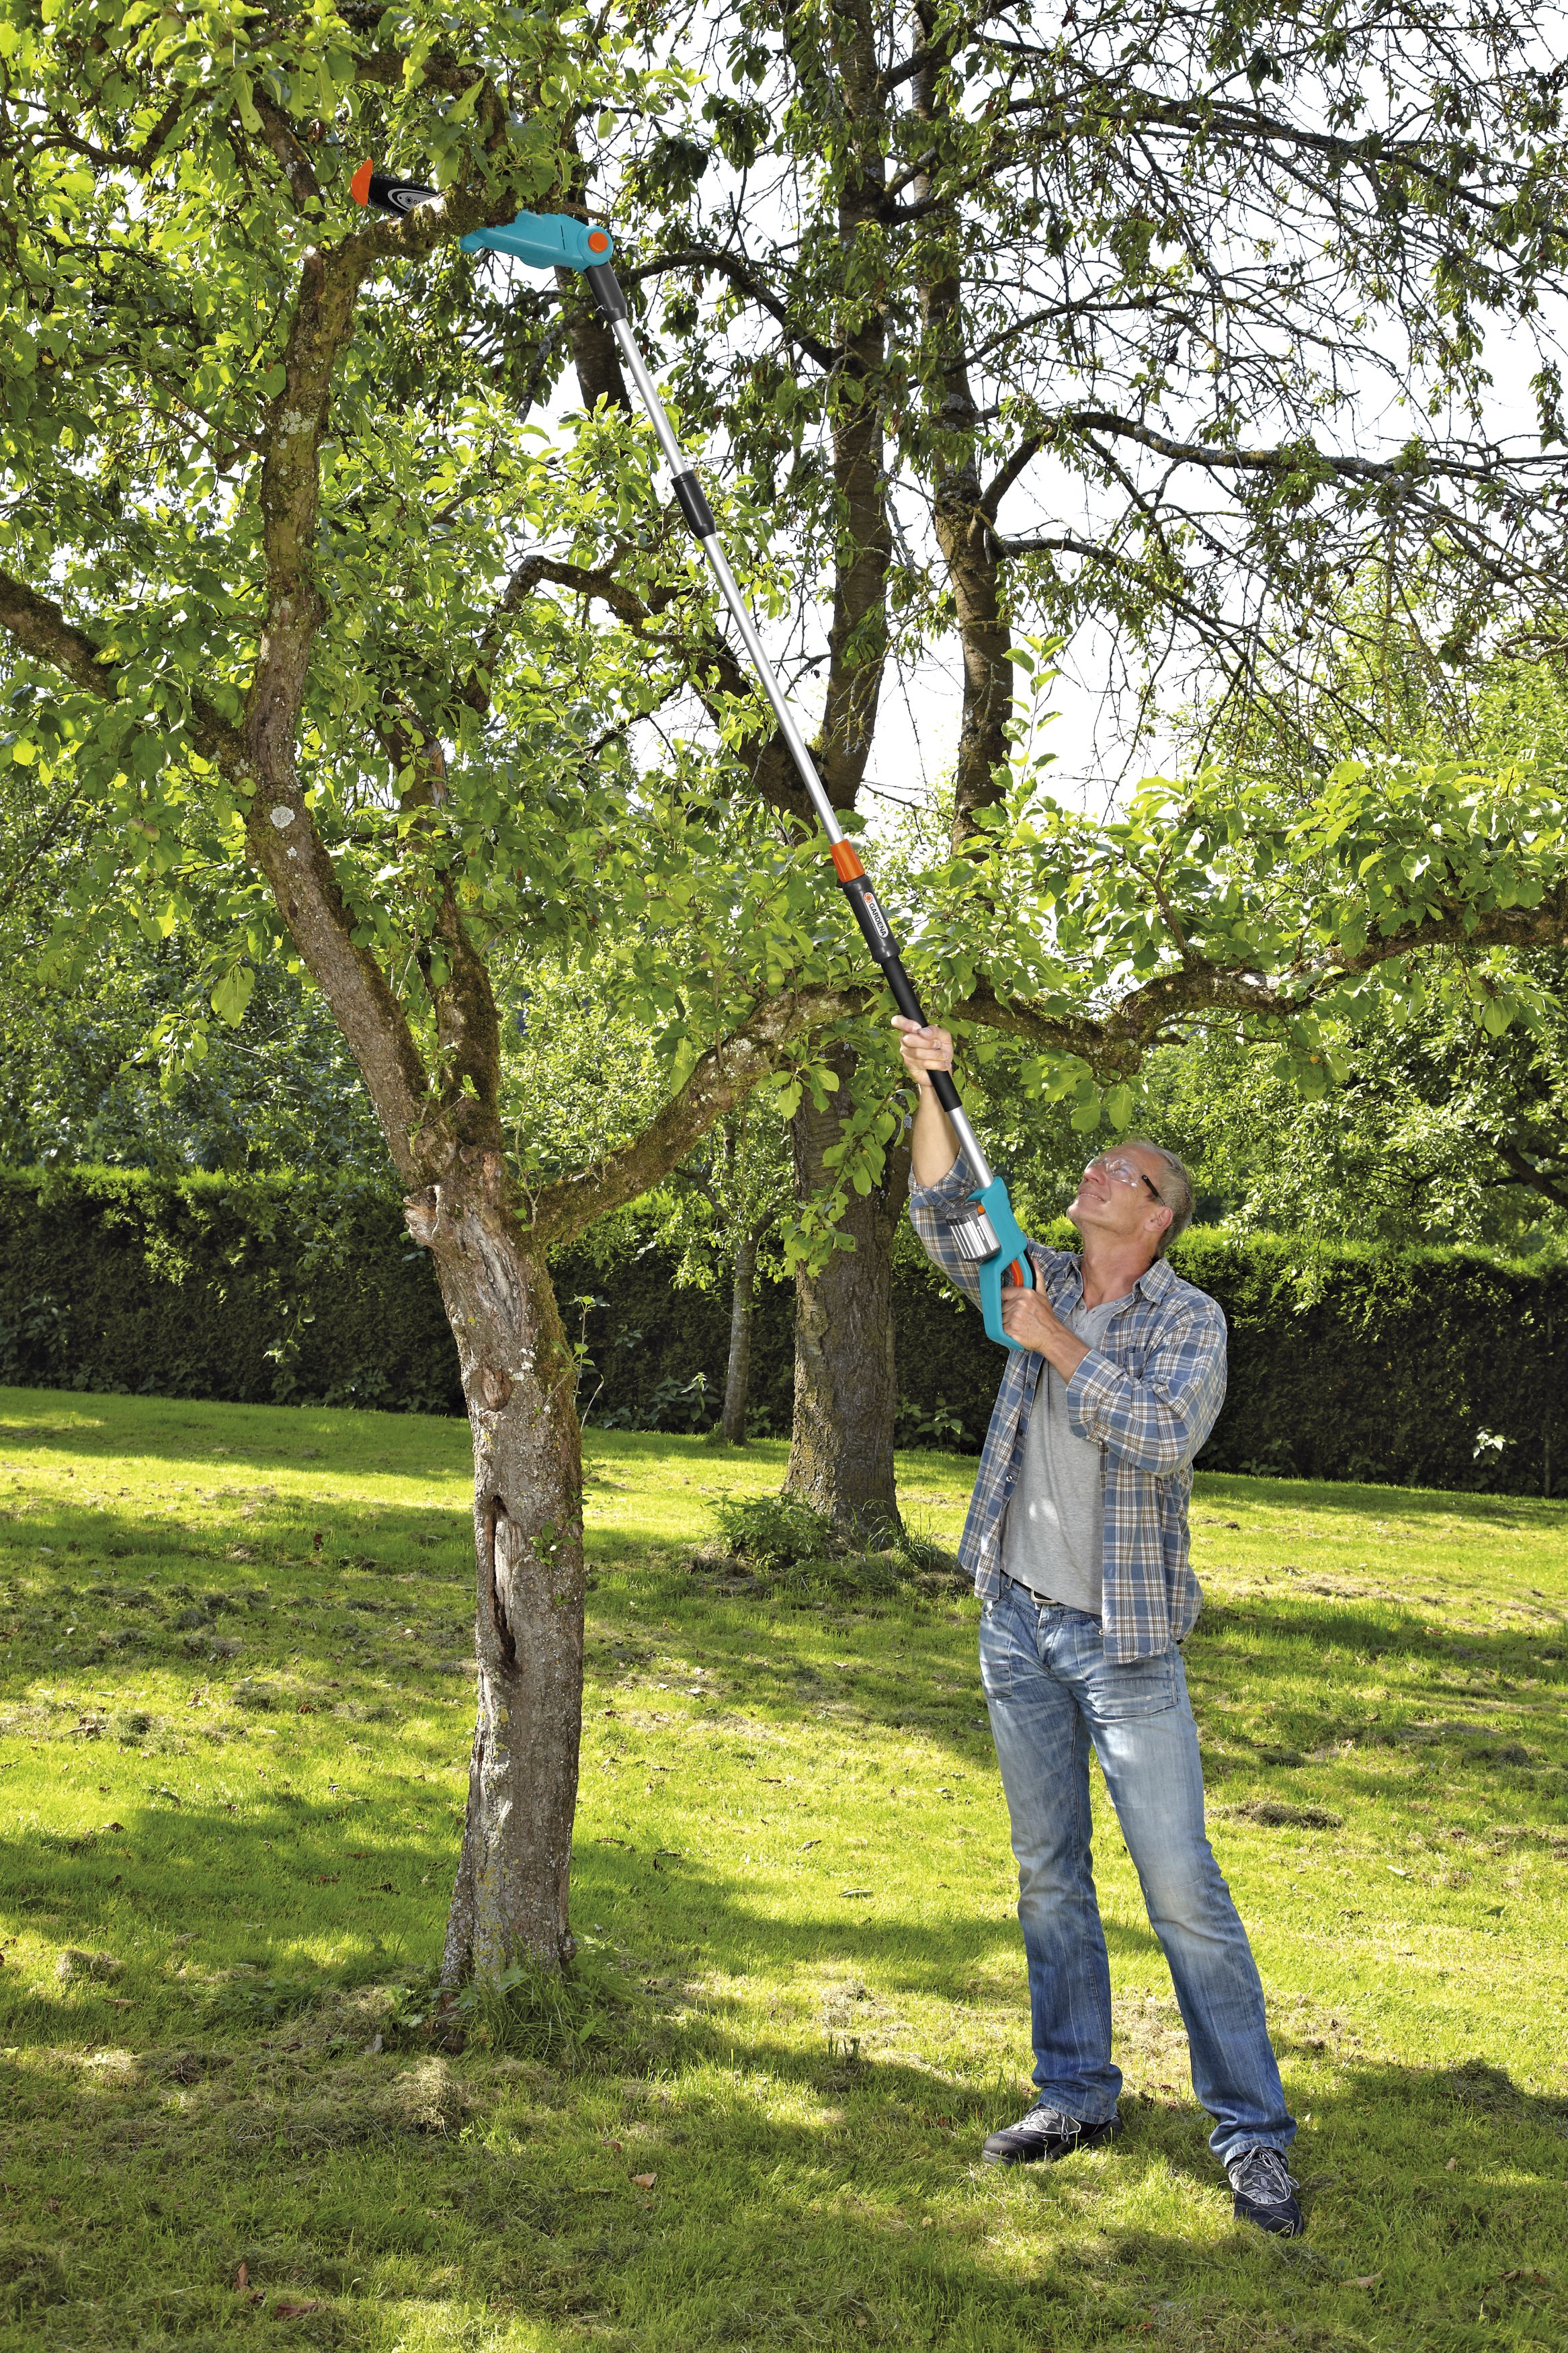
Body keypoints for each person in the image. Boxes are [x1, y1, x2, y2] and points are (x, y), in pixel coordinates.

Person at [895, 1015, 1301, 2238]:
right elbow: (940, 1210)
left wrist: (1057, 1346)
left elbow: (1164, 1434)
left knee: (1181, 1892)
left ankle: (1252, 2136)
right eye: (1091, 1169)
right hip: (1015, 1623)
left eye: (1114, 1173)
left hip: (1124, 1644)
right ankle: (1073, 2094)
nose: (1089, 1178)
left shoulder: (1189, 1322)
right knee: (1047, 1881)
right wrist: (928, 1086)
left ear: (1157, 1212)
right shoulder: (1036, 1276)